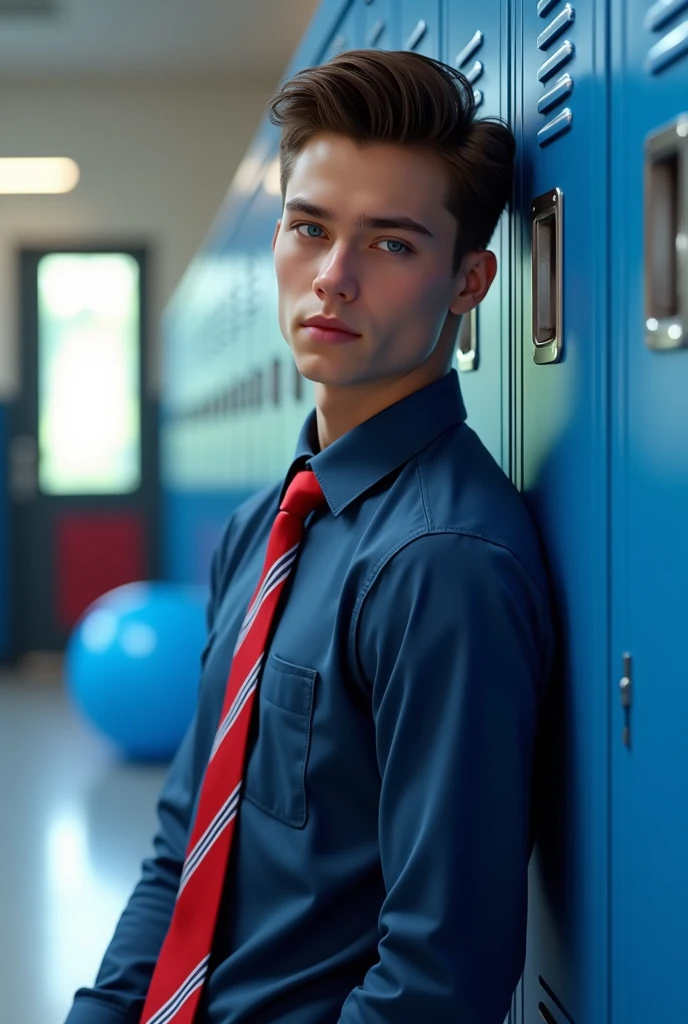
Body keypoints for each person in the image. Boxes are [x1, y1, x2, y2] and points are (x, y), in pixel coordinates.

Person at [65, 49, 555, 1024]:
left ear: (469, 282)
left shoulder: (442, 564)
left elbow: (436, 976)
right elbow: (181, 849)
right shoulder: (265, 525)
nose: (331, 278)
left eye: (389, 244)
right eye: (309, 228)